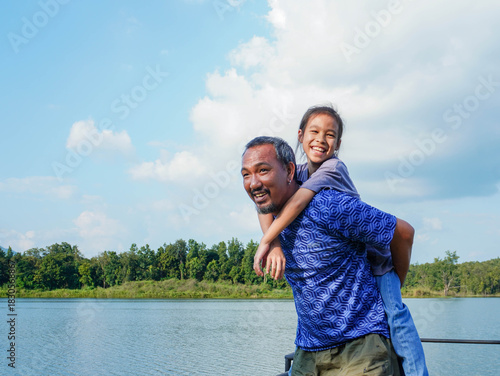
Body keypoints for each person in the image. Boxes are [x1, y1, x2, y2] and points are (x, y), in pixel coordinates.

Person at [252, 105, 429, 376]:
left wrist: (265, 241)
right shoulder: (295, 173)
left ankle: (418, 372)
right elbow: (264, 202)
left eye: (330, 135)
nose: (321, 140)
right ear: (300, 136)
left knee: (397, 316)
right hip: (313, 347)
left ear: (339, 143)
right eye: (314, 132)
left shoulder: (331, 171)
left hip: (378, 262)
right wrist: (274, 243)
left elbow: (301, 200)